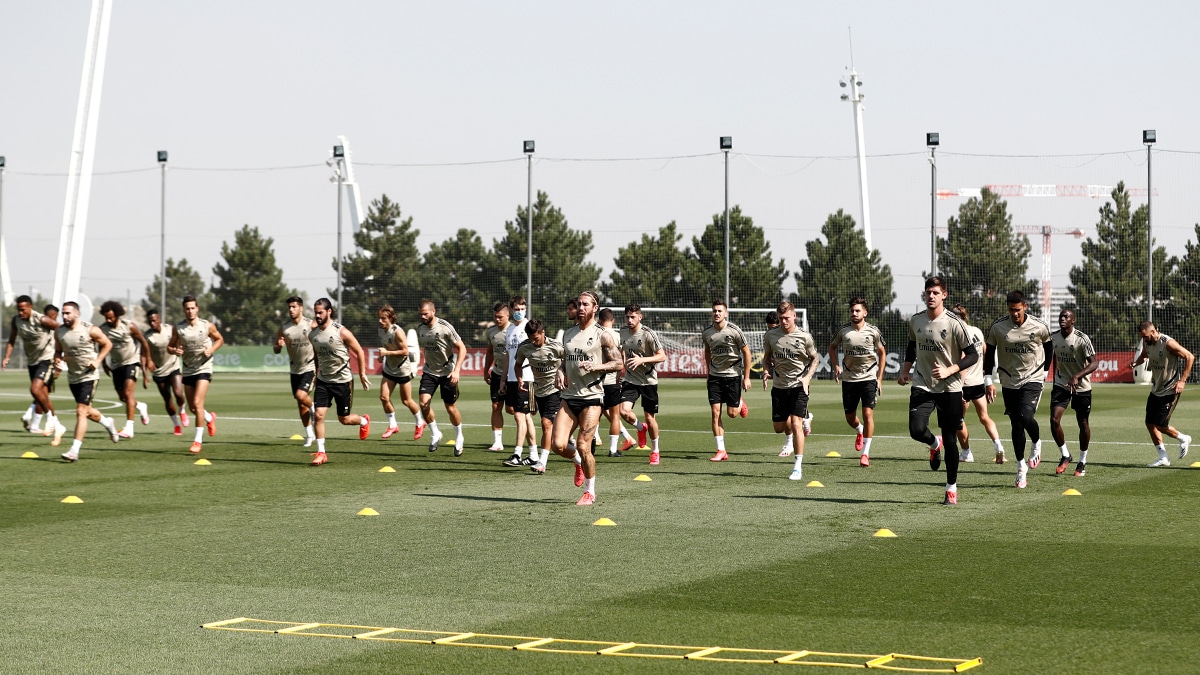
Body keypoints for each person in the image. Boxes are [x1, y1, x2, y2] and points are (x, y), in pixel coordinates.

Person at [897, 276, 979, 505]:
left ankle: (951, 487)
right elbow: (912, 346)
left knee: (952, 440)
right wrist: (905, 371)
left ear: (944, 295)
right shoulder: (916, 321)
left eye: (935, 292)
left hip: (950, 387)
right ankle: (934, 443)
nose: (931, 296)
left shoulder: (954, 323)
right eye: (928, 292)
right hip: (922, 383)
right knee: (916, 429)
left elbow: (973, 355)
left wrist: (950, 370)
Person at [547, 291, 622, 505]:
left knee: (583, 444)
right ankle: (578, 463)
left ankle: (590, 492)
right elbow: (565, 361)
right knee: (558, 445)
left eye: (585, 304)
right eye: (579, 304)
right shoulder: (568, 333)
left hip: (592, 398)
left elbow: (618, 364)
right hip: (569, 397)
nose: (581, 308)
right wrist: (560, 371)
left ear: (595, 308)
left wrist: (597, 366)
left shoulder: (603, 335)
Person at [983, 290, 1052, 489]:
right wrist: (988, 379)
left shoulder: (1039, 326)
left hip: (1033, 378)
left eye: (1018, 309)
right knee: (1016, 423)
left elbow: (1049, 348)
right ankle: (1021, 468)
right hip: (1008, 380)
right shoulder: (998, 327)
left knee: (1025, 415)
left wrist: (1045, 370)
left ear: (1025, 307)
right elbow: (989, 354)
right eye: (1011, 310)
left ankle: (1037, 441)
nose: (1014, 313)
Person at [306, 298, 371, 465]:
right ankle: (321, 452)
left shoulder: (341, 332)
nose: (318, 315)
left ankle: (363, 421)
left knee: (345, 419)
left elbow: (359, 351)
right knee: (319, 415)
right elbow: (316, 356)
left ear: (329, 312)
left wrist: (362, 374)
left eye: (320, 312)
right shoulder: (313, 334)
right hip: (323, 380)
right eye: (316, 312)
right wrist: (315, 374)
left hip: (343, 381)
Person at [54, 301, 121, 461]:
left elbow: (108, 344)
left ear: (77, 313)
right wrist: (57, 360)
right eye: (63, 313)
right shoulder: (59, 332)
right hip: (73, 376)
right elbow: (58, 350)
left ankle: (74, 450)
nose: (64, 316)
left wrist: (98, 361)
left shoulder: (90, 329)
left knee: (81, 411)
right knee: (87, 411)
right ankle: (107, 422)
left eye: (68, 313)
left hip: (89, 376)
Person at [763, 301, 818, 481]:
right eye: (781, 318)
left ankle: (797, 467)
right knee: (779, 428)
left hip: (799, 385)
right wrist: (765, 370)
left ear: (794, 316)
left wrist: (808, 376)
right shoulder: (771, 335)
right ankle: (806, 417)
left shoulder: (804, 337)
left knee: (796, 423)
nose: (784, 321)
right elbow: (766, 357)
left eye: (787, 318)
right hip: (779, 386)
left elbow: (815, 358)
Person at [828, 297, 886, 467]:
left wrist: (880, 378)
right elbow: (832, 347)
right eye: (852, 310)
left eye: (857, 310)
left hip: (868, 378)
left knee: (868, 413)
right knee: (850, 417)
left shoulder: (873, 331)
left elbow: (882, 352)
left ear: (865, 313)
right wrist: (836, 366)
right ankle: (859, 430)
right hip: (849, 379)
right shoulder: (843, 331)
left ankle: (865, 453)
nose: (854, 313)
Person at [3, 294, 66, 443]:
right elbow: (11, 341)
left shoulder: (41, 319)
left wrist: (60, 354)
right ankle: (58, 425)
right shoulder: (16, 320)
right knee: (42, 395)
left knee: (35, 389)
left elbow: (62, 330)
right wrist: (6, 357)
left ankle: (50, 419)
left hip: (47, 358)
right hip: (32, 361)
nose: (20, 312)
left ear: (30, 307)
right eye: (18, 309)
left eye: (23, 309)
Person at [1130, 320, 1193, 467]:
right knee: (1149, 423)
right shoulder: (1147, 343)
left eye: (1145, 336)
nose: (1143, 340)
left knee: (1161, 425)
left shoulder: (1168, 343)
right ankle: (1163, 457)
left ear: (1153, 332)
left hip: (1171, 389)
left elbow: (1190, 357)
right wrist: (1136, 363)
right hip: (1156, 389)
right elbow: (1144, 356)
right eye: (1142, 337)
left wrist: (1182, 381)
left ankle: (1184, 438)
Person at [949, 304, 1005, 465]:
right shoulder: (977, 332)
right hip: (978, 383)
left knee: (958, 420)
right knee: (984, 417)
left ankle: (966, 452)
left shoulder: (958, 335)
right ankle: (998, 446)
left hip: (964, 384)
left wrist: (958, 388)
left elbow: (962, 363)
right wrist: (988, 380)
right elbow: (986, 353)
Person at [168, 295, 223, 454]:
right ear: (184, 310)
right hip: (188, 368)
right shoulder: (178, 328)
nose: (190, 311)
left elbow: (219, 339)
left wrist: (211, 349)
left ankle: (197, 441)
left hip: (204, 367)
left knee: (198, 403)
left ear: (197, 309)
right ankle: (209, 418)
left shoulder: (207, 326)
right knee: (192, 407)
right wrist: (175, 350)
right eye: (187, 308)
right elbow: (170, 347)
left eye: (193, 308)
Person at [1048, 309, 1099, 476]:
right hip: (1061, 384)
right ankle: (1065, 455)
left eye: (1066, 317)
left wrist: (1077, 376)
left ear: (1073, 320)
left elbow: (1094, 363)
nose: (1062, 319)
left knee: (1083, 423)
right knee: (1054, 420)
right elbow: (1053, 357)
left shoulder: (1082, 339)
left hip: (1081, 387)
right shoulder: (1053, 337)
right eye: (1061, 316)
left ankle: (1082, 461)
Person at [513, 318, 565, 474]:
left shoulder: (556, 346)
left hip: (556, 390)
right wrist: (520, 378)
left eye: (535, 338)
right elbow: (517, 364)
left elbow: (569, 359)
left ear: (543, 333)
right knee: (550, 427)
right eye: (530, 339)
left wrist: (562, 373)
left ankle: (542, 462)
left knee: (546, 423)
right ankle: (571, 443)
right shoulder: (524, 347)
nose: (533, 342)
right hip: (538, 391)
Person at [702, 300, 751, 462]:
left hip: (733, 375)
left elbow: (746, 352)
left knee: (732, 414)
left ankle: (739, 403)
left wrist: (747, 377)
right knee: (715, 413)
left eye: (720, 311)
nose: (717, 313)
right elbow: (707, 351)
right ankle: (721, 449)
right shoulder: (707, 333)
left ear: (726, 313)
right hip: (715, 376)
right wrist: (709, 370)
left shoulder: (734, 331)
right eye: (714, 311)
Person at [417, 300, 467, 455]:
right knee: (423, 403)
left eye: (425, 313)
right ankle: (435, 433)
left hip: (447, 373)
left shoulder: (445, 327)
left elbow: (462, 348)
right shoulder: (421, 329)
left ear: (433, 311)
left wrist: (457, 370)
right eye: (421, 314)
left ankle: (459, 437)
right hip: (430, 372)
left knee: (450, 407)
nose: (423, 317)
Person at [618, 304, 666, 465]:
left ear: (640, 317)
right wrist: (621, 366)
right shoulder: (622, 332)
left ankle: (655, 451)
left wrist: (642, 360)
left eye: (633, 316)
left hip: (648, 381)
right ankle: (640, 428)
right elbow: (622, 350)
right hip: (630, 380)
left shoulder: (648, 334)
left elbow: (662, 356)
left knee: (650, 418)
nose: (630, 320)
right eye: (627, 317)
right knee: (623, 411)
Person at [98, 301, 152, 438]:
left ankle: (129, 428)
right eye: (106, 318)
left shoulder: (129, 326)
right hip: (116, 365)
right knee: (123, 397)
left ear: (117, 315)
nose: (109, 320)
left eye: (111, 317)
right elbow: (101, 345)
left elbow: (144, 342)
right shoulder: (103, 329)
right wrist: (104, 363)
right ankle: (140, 406)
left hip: (131, 362)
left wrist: (148, 361)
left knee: (128, 394)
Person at [272, 296, 316, 446]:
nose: (291, 310)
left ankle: (314, 409)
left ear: (301, 308)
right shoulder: (284, 328)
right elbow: (276, 350)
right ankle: (310, 435)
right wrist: (278, 346)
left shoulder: (311, 325)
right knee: (300, 403)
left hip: (310, 367)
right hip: (294, 369)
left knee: (301, 395)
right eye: (289, 307)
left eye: (294, 307)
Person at [501, 296, 539, 466]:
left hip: (526, 378)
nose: (519, 312)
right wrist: (503, 378)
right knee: (526, 418)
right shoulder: (509, 330)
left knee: (519, 415)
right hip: (511, 378)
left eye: (522, 308)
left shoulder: (529, 327)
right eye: (516, 309)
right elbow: (508, 355)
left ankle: (517, 454)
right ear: (511, 310)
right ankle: (533, 455)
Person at [376, 304, 422, 440]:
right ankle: (393, 425)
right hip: (390, 368)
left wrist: (386, 353)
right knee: (384, 397)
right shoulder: (380, 330)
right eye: (379, 318)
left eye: (383, 318)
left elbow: (405, 352)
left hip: (402, 370)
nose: (380, 321)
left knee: (407, 401)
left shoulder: (398, 332)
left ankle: (420, 422)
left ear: (391, 318)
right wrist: (382, 356)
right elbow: (387, 347)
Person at [597, 307, 635, 458]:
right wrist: (619, 375)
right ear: (613, 320)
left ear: (599, 321)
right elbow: (622, 359)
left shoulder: (597, 334)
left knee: (593, 414)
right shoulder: (619, 336)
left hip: (598, 382)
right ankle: (613, 450)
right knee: (614, 416)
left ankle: (592, 442)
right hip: (612, 382)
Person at [145, 309, 188, 435]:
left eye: (154, 320)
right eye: (150, 321)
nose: (152, 323)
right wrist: (148, 363)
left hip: (173, 366)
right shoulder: (147, 336)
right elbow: (144, 353)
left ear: (159, 319)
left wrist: (179, 348)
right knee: (167, 399)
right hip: (159, 371)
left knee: (179, 393)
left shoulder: (170, 329)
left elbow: (179, 339)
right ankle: (176, 425)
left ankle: (182, 410)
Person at [483, 302, 509, 451]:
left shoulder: (514, 331)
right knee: (496, 406)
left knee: (512, 410)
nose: (497, 320)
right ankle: (497, 442)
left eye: (500, 317)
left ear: (507, 315)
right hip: (497, 373)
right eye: (495, 317)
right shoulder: (491, 332)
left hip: (512, 375)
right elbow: (490, 352)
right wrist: (486, 370)